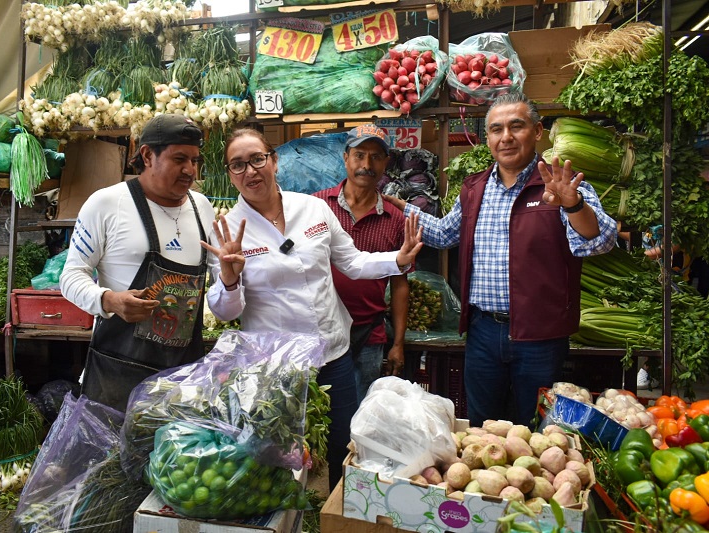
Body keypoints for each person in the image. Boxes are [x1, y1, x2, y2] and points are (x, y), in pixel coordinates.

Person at [200, 128, 423, 491]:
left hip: (332, 352)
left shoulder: (313, 209)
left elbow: (352, 262)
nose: (250, 171)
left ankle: (336, 514)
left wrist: (396, 260)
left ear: (274, 161)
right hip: (275, 366)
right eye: (238, 165)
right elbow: (227, 312)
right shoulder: (227, 233)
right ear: (229, 174)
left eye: (257, 159)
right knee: (277, 455)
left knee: (341, 445)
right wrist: (228, 278)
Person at [386, 93, 618, 428]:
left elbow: (599, 242)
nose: (505, 137)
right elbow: (443, 234)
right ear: (488, 138)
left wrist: (572, 205)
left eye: (516, 126)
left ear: (538, 131)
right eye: (496, 129)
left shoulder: (559, 183)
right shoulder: (474, 188)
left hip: (541, 335)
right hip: (483, 332)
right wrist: (398, 206)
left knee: (537, 430)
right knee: (483, 426)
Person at [60, 114, 216, 412]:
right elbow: (71, 276)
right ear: (147, 155)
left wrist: (232, 279)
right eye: (179, 159)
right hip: (119, 373)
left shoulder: (202, 208)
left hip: (182, 373)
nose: (190, 170)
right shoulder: (106, 203)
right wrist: (108, 299)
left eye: (195, 160)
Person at [313, 124, 409, 403]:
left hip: (368, 334)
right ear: (345, 159)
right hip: (321, 333)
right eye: (359, 155)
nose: (367, 165)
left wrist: (398, 344)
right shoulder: (317, 206)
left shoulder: (395, 218)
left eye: (376, 157)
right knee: (318, 413)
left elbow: (400, 284)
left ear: (386, 162)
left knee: (361, 414)